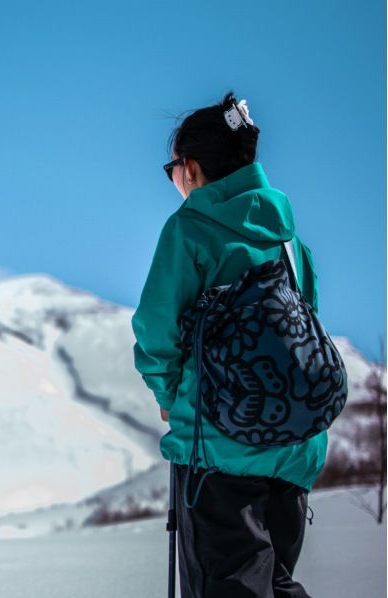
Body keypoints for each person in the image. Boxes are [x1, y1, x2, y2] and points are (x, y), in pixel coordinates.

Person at [131, 91, 324, 598]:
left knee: (227, 587)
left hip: (217, 450)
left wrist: (172, 400)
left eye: (172, 168)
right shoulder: (286, 236)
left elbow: (156, 328)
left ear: (190, 169)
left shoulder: (191, 229)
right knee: (276, 584)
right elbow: (310, 324)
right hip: (294, 451)